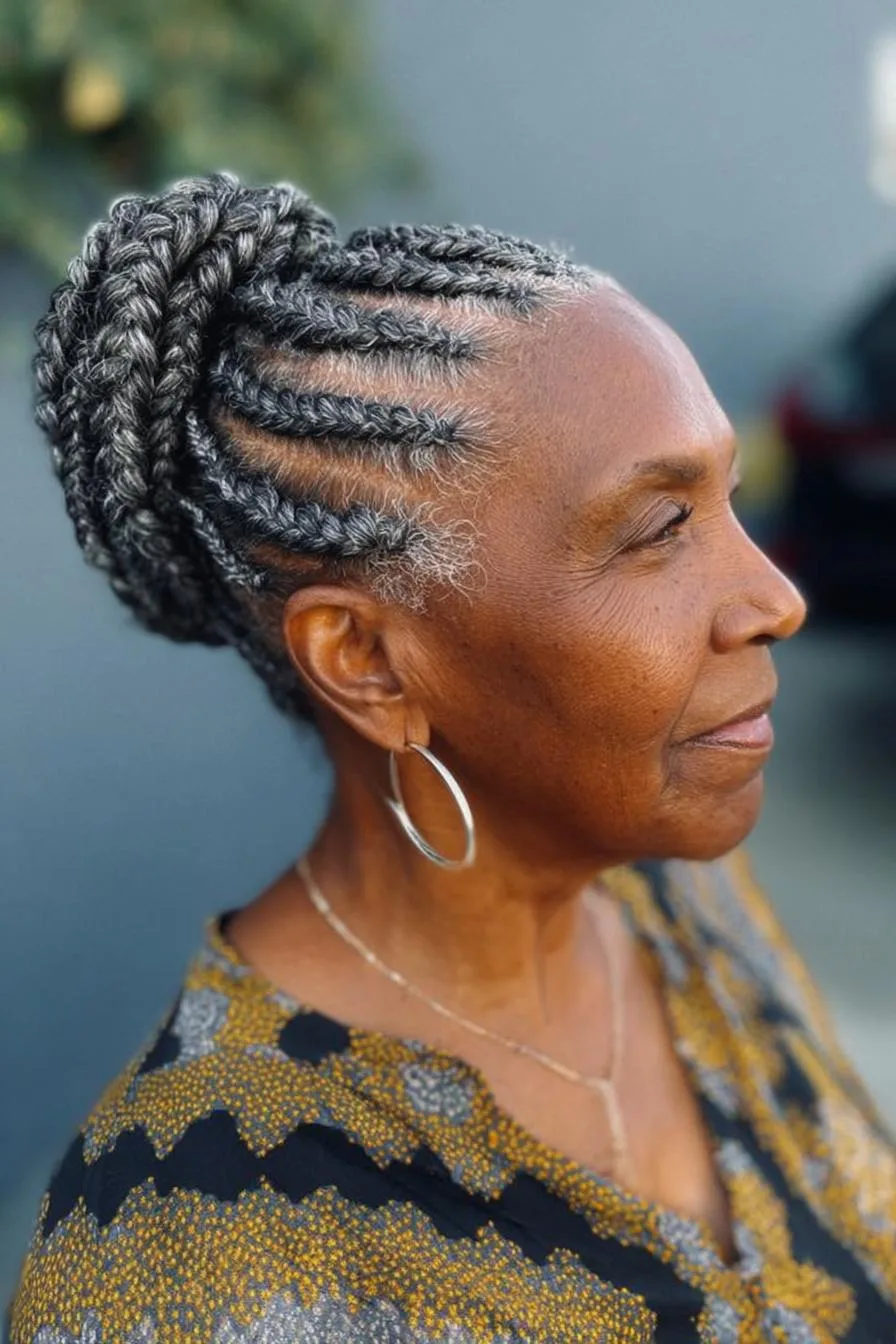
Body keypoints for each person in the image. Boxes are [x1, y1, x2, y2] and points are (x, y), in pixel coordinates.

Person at [6, 173, 895, 1343]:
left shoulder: (681, 904)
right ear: (368, 662)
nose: (776, 599)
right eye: (658, 529)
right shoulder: (181, 1265)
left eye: (729, 498)